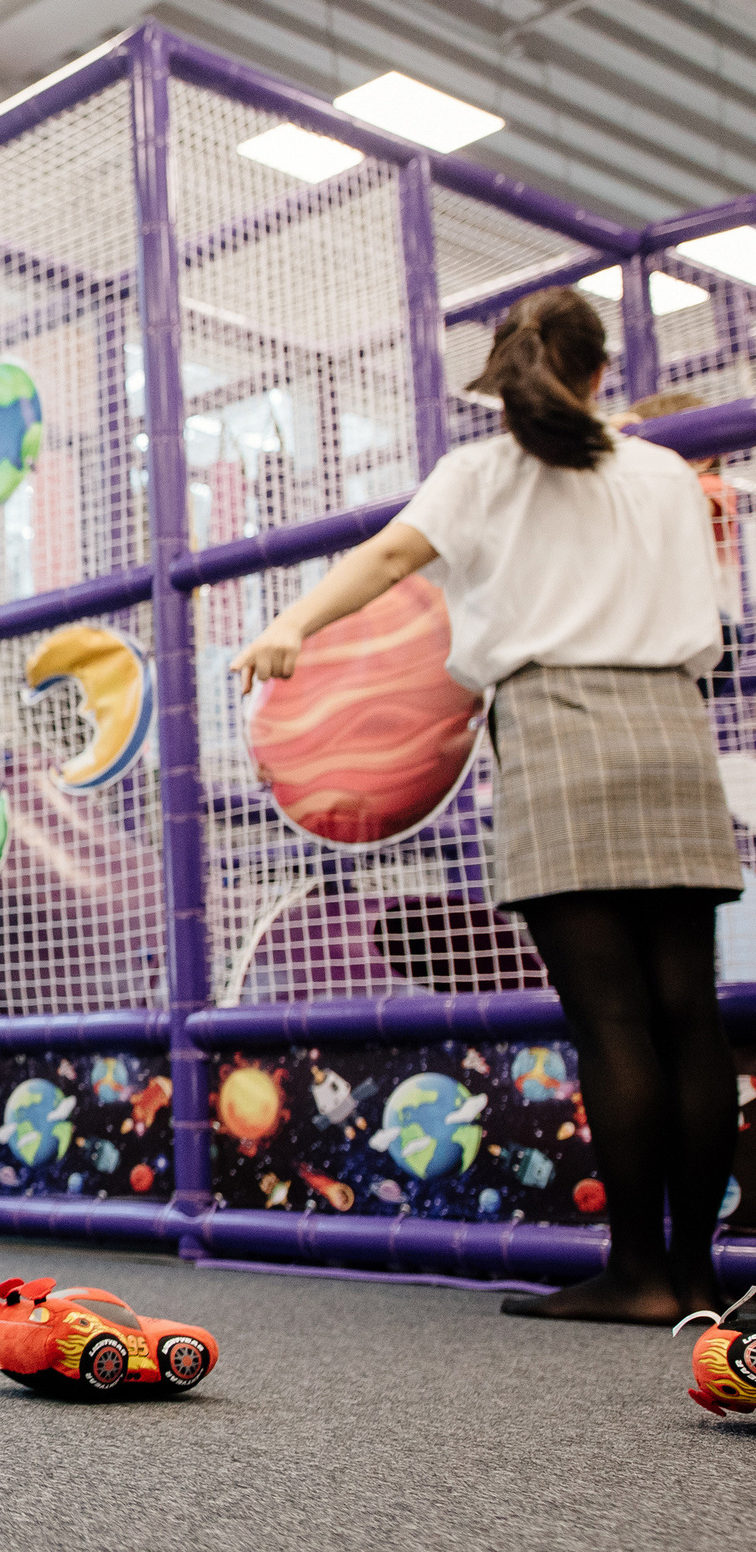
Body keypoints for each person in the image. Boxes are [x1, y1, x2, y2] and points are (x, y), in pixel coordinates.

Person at [232, 286, 739, 1324]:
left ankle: (636, 1273)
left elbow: (383, 559)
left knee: (611, 1021)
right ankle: (696, 1274)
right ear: (601, 374)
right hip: (673, 732)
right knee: (690, 1017)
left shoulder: (478, 475)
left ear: (501, 376)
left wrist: (290, 625)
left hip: (559, 730)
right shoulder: (664, 473)